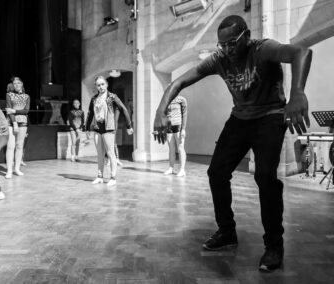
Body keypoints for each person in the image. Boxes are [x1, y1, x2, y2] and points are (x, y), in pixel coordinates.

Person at [153, 15, 312, 272]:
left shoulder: (263, 49)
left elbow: (302, 52)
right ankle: (227, 231)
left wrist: (297, 93)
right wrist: (160, 110)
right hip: (240, 119)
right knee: (216, 172)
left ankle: (274, 246)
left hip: (270, 116)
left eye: (233, 43)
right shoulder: (220, 59)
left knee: (265, 177)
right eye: (222, 45)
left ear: (247, 37)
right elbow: (178, 81)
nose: (228, 50)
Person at [86, 76, 133, 186]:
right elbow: (90, 113)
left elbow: (123, 109)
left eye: (102, 84)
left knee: (111, 153)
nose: (101, 87)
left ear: (106, 84)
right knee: (100, 154)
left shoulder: (112, 97)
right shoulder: (94, 99)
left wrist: (129, 125)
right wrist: (87, 128)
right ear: (96, 86)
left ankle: (113, 177)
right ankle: (100, 176)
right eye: (98, 85)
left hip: (108, 129)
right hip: (98, 129)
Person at [5, 77, 30, 179]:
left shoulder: (26, 96)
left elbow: (26, 111)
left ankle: (17, 169)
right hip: (11, 122)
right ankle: (9, 170)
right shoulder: (9, 95)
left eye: (18, 83)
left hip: (23, 122)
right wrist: (14, 122)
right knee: (10, 146)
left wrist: (15, 111)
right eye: (14, 84)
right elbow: (8, 110)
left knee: (19, 146)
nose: (16, 85)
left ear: (22, 84)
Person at [163, 95, 187, 177]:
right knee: (171, 148)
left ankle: (182, 169)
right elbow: (164, 114)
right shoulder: (167, 99)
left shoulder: (181, 99)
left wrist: (183, 129)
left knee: (180, 147)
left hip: (178, 125)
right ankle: (171, 168)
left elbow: (185, 114)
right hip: (169, 126)